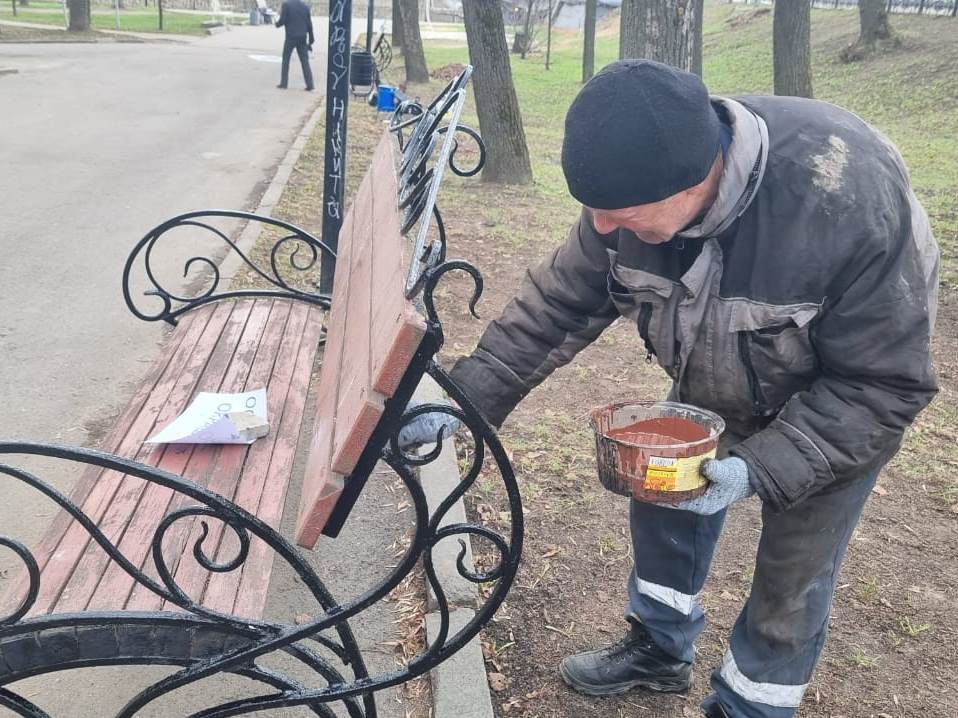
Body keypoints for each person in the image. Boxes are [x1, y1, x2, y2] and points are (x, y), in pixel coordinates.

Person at [406, 59, 939, 717]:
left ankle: (750, 706)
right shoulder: (631, 188)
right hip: (718, 370)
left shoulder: (845, 204)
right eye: (594, 213)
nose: (603, 230)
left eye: (620, 216)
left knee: (793, 573)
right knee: (660, 495)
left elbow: (884, 385)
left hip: (834, 404)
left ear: (697, 181)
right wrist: (460, 405)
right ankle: (658, 650)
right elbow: (556, 307)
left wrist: (758, 469)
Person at [275, 0, 314, 91]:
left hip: (291, 37)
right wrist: (311, 39)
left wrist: (277, 24)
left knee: (286, 59)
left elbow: (283, 20)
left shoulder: (286, 5)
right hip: (302, 37)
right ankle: (310, 84)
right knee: (305, 61)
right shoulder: (305, 6)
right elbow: (309, 24)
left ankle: (284, 83)